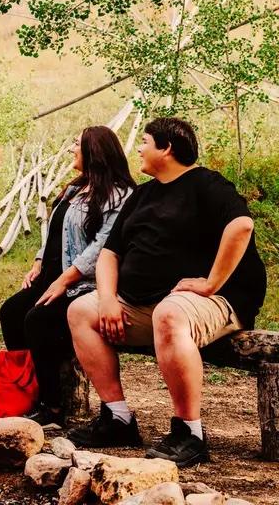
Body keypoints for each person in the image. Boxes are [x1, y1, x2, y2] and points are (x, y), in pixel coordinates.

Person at [67, 117, 267, 466]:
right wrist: (110, 299)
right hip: (145, 304)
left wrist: (211, 283)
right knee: (81, 311)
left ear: (167, 147)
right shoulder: (143, 194)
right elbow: (110, 254)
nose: (139, 149)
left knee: (170, 312)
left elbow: (241, 226)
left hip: (212, 302)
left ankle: (190, 432)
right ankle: (118, 419)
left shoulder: (207, 184)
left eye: (144, 141)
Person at [0, 126, 136, 425]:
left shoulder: (120, 195)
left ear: (93, 151)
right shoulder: (75, 188)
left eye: (76, 144)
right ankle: (28, 393)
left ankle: (53, 405)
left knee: (38, 320)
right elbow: (54, 232)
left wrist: (66, 279)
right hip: (52, 274)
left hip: (82, 284)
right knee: (11, 312)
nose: (72, 148)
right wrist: (38, 262)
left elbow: (103, 246)